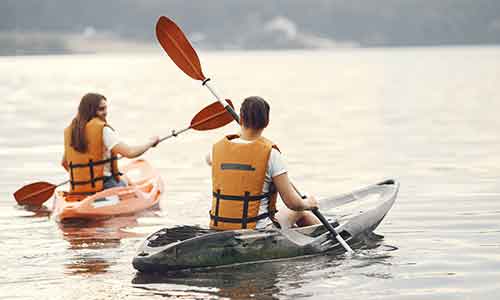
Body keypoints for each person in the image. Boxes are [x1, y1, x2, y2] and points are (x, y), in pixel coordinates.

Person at [206, 96, 320, 230]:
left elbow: (210, 160)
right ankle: (328, 235)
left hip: (220, 227)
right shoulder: (271, 154)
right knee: (300, 210)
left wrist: (240, 135)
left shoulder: (217, 150)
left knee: (296, 213)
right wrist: (308, 203)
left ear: (241, 119)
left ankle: (304, 234)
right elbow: (293, 203)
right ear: (266, 122)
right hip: (258, 229)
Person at [62, 93, 159, 194]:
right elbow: (130, 152)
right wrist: (150, 143)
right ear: (90, 110)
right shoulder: (103, 129)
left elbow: (64, 163)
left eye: (105, 108)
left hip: (79, 190)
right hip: (106, 186)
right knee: (125, 180)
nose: (105, 112)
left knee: (123, 178)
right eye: (101, 109)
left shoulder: (72, 131)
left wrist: (84, 179)